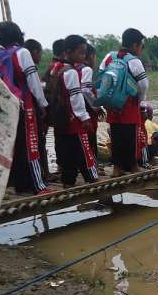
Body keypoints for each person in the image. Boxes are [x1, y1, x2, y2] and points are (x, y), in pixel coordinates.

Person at [0, 21, 51, 195]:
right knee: (31, 144)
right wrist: (43, 103)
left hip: (11, 106)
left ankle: (21, 185)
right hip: (26, 105)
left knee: (18, 146)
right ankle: (38, 185)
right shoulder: (22, 52)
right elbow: (33, 81)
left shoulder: (1, 56)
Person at [98, 28, 149, 176]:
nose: (141, 49)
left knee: (116, 135)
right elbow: (143, 85)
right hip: (129, 104)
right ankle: (133, 166)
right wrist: (141, 103)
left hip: (112, 104)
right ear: (135, 45)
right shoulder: (134, 61)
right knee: (131, 135)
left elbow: (100, 75)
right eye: (141, 46)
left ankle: (117, 168)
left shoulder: (110, 56)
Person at [50, 34, 97, 187]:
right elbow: (76, 97)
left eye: (84, 53)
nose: (83, 56)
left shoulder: (57, 68)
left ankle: (68, 181)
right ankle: (91, 176)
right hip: (73, 117)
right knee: (84, 148)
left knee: (66, 151)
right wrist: (84, 117)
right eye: (81, 52)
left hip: (61, 117)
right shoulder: (71, 72)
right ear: (69, 52)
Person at [24, 38, 50, 179]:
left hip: (23, 108)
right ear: (34, 52)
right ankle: (42, 174)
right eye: (40, 53)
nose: (40, 56)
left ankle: (39, 173)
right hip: (31, 109)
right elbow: (36, 89)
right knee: (38, 141)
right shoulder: (29, 66)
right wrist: (43, 105)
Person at [80, 44, 104, 169]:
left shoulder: (75, 68)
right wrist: (96, 106)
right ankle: (93, 166)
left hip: (80, 111)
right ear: (90, 56)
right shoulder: (87, 70)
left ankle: (85, 166)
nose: (95, 60)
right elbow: (85, 90)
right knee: (91, 138)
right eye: (94, 56)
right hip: (88, 111)